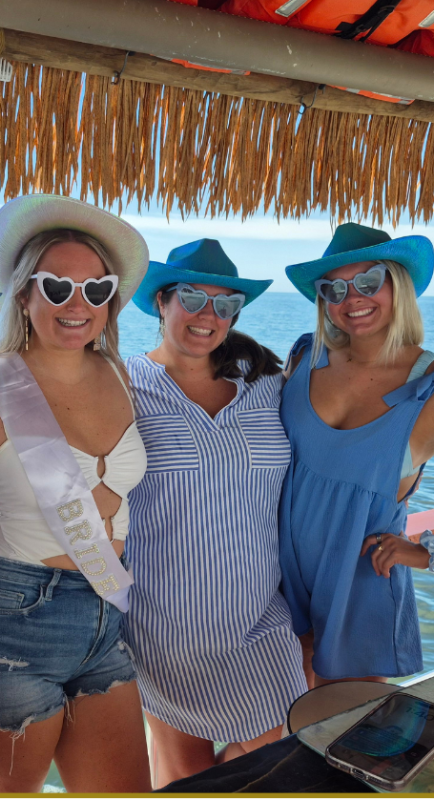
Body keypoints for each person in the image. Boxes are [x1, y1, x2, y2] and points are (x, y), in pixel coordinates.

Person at [0, 194, 152, 794]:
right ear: (24, 294)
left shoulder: (119, 374)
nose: (78, 305)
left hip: (105, 617)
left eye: (96, 290)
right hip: (10, 622)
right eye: (56, 288)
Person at [122, 238, 308, 788]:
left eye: (225, 304)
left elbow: (338, 435)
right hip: (163, 621)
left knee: (281, 741)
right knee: (184, 775)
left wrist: (405, 472)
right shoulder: (121, 385)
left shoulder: (269, 386)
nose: (209, 315)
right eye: (193, 297)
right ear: (161, 302)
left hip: (259, 612)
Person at [279, 222, 434, 687]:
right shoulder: (306, 356)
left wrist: (431, 552)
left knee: (347, 739)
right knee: (267, 733)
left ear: (397, 284)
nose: (351, 298)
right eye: (334, 288)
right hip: (274, 577)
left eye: (368, 281)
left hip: (361, 587)